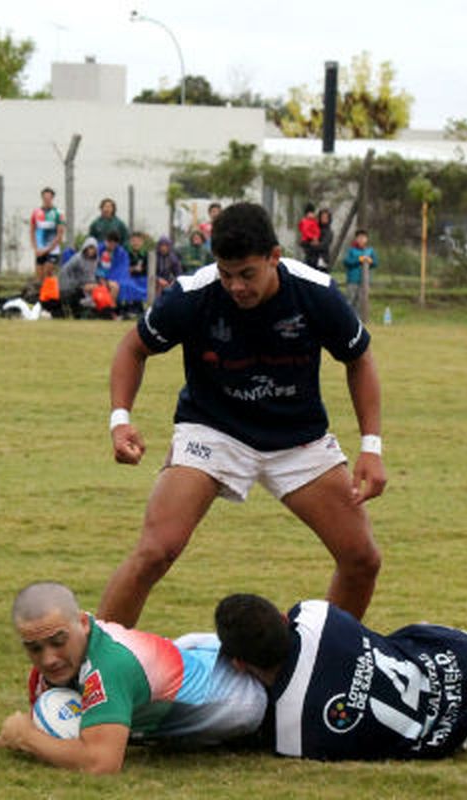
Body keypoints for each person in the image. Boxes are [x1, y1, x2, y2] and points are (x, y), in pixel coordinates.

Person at [99, 202, 386, 628]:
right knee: (156, 550)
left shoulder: (315, 292)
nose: (235, 286)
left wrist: (371, 448)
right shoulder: (194, 293)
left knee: (361, 558)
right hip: (213, 431)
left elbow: (359, 360)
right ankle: (94, 667)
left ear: (274, 256)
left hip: (297, 439)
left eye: (247, 274)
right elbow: (133, 347)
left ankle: (327, 664)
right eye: (226, 273)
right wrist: (120, 418)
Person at [0, 582, 266, 774]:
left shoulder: (109, 667)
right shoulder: (53, 672)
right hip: (189, 658)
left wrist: (23, 736)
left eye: (58, 642)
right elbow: (58, 734)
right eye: (34, 648)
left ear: (83, 623)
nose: (49, 659)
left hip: (243, 694)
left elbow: (101, 764)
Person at [213, 594, 467, 761]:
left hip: (453, 732)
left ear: (239, 664)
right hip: (466, 659)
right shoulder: (315, 615)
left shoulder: (287, 733)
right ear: (283, 619)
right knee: (386, 645)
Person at [56, 238, 101, 318]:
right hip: (69, 287)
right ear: (86, 248)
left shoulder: (95, 260)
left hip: (83, 286)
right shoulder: (78, 259)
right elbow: (67, 275)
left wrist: (94, 284)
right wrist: (82, 286)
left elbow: (91, 276)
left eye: (93, 248)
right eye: (90, 248)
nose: (91, 250)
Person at [30, 187, 66, 281]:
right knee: (39, 277)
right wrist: (35, 248)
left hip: (52, 249)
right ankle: (41, 294)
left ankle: (52, 292)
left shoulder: (58, 213)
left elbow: (59, 234)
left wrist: (47, 249)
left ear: (52, 198)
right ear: (42, 198)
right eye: (45, 198)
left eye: (49, 198)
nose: (47, 200)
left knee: (48, 271)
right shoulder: (36, 212)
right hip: (40, 249)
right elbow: (32, 231)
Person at [341, 229, 378, 311]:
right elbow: (346, 261)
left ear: (367, 239)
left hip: (365, 281)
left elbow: (375, 262)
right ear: (356, 239)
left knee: (362, 302)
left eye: (363, 238)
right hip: (353, 280)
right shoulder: (351, 250)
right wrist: (359, 259)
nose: (361, 240)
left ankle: (361, 320)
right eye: (359, 238)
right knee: (350, 301)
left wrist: (370, 261)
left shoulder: (370, 250)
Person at [297, 203, 321, 267]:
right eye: (310, 213)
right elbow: (305, 231)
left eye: (312, 213)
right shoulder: (305, 221)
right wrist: (313, 237)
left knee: (314, 256)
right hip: (307, 240)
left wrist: (316, 237)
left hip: (313, 240)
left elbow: (317, 231)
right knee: (309, 256)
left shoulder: (314, 221)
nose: (311, 214)